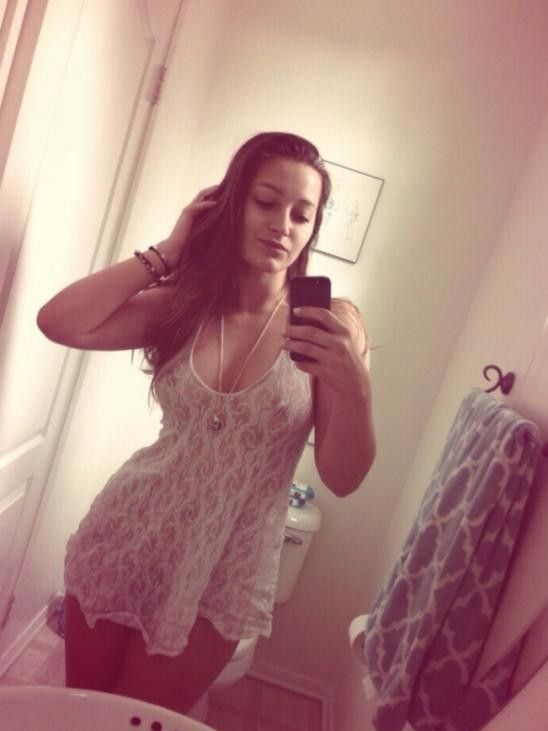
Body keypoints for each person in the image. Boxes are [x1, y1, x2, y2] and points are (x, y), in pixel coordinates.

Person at [36, 131, 376, 715]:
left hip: (224, 570)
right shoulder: (184, 304)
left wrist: (356, 384)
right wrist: (169, 250)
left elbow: (343, 477)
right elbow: (59, 321)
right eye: (266, 202)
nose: (282, 225)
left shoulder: (330, 326)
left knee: (139, 722)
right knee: (83, 712)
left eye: (302, 215)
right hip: (128, 531)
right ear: (231, 205)